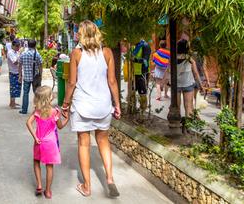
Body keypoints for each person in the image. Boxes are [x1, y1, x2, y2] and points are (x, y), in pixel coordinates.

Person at [61, 20, 121, 198]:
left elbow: (72, 82)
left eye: (78, 32)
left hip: (82, 106)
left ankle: (87, 186)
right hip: (103, 105)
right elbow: (112, 81)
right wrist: (117, 104)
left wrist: (65, 104)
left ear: (81, 34)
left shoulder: (76, 54)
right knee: (103, 141)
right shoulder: (107, 52)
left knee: (83, 143)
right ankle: (109, 179)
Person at [26, 86, 69, 199]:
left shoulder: (37, 111)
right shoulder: (55, 112)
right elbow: (60, 127)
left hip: (39, 141)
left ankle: (39, 185)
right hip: (51, 143)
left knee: (36, 162)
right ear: (49, 98)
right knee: (49, 167)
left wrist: (35, 137)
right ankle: (48, 191)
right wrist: (67, 119)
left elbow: (28, 123)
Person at [176, 39, 204, 124]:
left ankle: (177, 124)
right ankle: (187, 126)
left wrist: (163, 82)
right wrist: (201, 85)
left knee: (177, 106)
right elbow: (195, 73)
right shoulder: (189, 59)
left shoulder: (173, 58)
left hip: (176, 84)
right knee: (188, 106)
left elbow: (168, 71)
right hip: (188, 84)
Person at [18, 39, 43, 114]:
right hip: (35, 78)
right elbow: (41, 65)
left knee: (25, 93)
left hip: (26, 77)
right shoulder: (37, 54)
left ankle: (24, 110)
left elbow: (19, 65)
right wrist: (40, 75)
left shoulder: (23, 54)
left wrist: (20, 75)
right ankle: (38, 110)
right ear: (35, 46)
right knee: (37, 94)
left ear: (28, 45)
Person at [133, 38, 152, 111]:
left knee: (142, 92)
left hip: (142, 72)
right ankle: (133, 107)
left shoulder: (145, 45)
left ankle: (143, 110)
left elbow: (145, 60)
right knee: (133, 91)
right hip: (133, 72)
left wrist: (135, 59)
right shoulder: (134, 46)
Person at [7, 39, 22, 109]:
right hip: (13, 72)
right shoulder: (10, 52)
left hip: (16, 72)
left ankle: (12, 102)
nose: (18, 47)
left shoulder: (16, 52)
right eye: (17, 46)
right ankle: (12, 104)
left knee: (16, 88)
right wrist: (20, 56)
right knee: (13, 88)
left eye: (19, 46)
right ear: (12, 46)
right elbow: (15, 62)